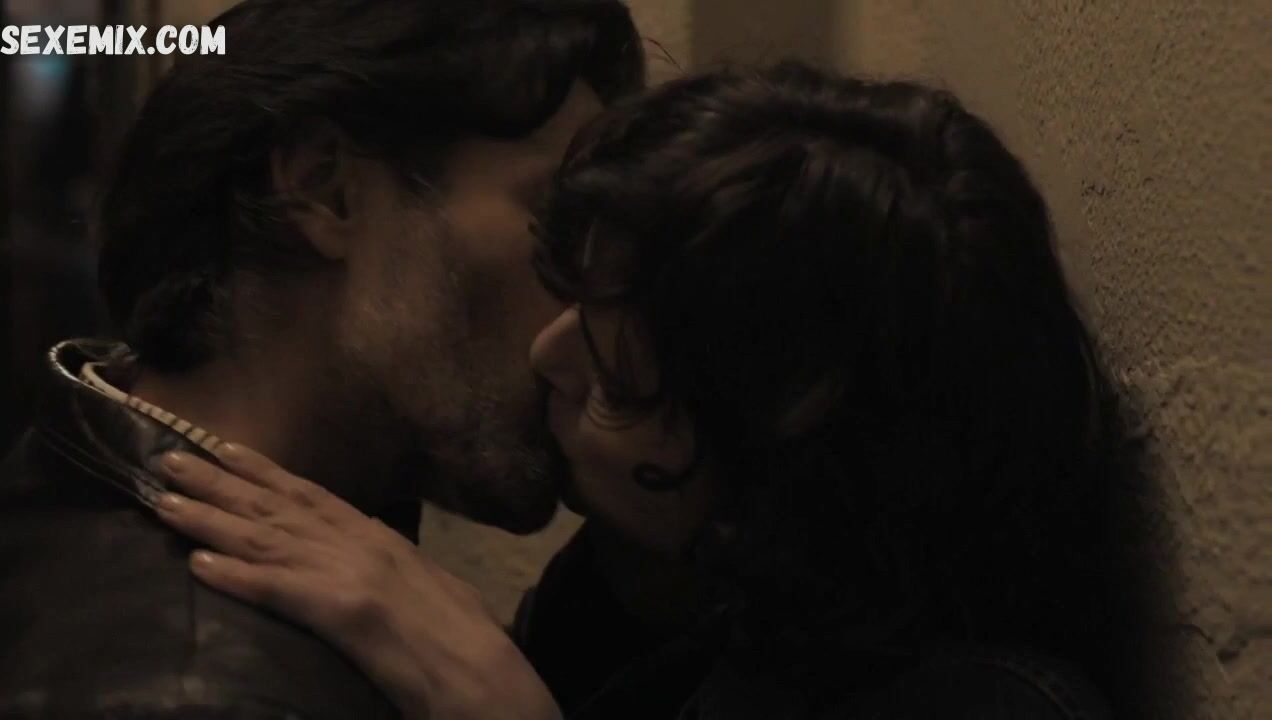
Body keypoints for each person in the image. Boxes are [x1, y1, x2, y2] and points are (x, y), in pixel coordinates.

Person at [144, 64, 1138, 719]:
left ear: (785, 463)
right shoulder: (637, 601)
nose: (547, 358)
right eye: (575, 303)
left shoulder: (981, 706)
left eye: (617, 385)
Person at [0, 0, 643, 717]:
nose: (590, 306)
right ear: (325, 187)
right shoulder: (186, 690)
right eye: (559, 220)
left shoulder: (69, 498)